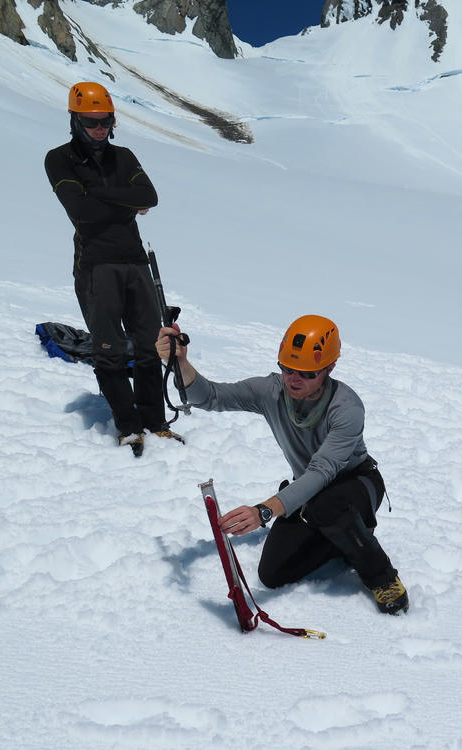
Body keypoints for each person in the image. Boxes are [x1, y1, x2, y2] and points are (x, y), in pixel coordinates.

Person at [155, 315, 409, 615]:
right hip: (310, 494)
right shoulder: (271, 391)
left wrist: (265, 510)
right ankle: (348, 538)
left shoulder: (347, 408)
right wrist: (180, 363)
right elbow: (211, 397)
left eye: (306, 373)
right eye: (287, 369)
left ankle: (382, 576)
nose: (293, 379)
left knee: (327, 506)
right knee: (273, 573)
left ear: (329, 369)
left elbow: (322, 472)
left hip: (356, 485)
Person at [44, 82, 177, 456]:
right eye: (91, 123)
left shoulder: (124, 156)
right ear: (75, 120)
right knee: (109, 348)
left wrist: (97, 193)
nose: (99, 130)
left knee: (151, 345)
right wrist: (125, 204)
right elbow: (80, 212)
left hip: (135, 261)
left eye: (105, 122)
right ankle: (128, 427)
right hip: (95, 265)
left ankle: (155, 422)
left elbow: (149, 197)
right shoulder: (59, 158)